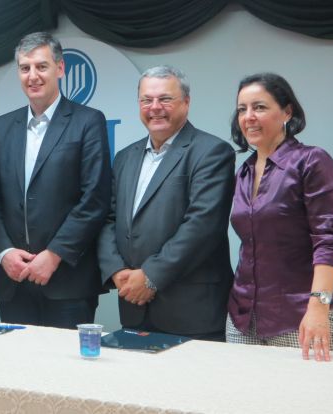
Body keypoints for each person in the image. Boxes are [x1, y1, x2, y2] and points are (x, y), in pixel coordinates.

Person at [97, 65, 235, 340]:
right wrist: (116, 270)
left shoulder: (212, 152)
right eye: (146, 100)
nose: (155, 107)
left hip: (192, 311)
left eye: (165, 99)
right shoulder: (125, 157)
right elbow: (108, 219)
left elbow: (202, 226)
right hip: (134, 306)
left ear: (186, 102)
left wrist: (150, 276)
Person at [0, 32, 111, 328]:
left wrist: (54, 255)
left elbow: (94, 198)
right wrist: (4, 252)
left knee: (65, 360)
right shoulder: (2, 127)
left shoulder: (88, 121)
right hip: (14, 279)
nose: (33, 76)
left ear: (60, 68)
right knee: (16, 359)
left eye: (41, 66)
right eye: (25, 68)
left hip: (67, 281)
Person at [227, 73, 333, 361]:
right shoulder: (244, 172)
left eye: (260, 107)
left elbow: (330, 240)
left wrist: (319, 307)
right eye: (242, 109)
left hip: (300, 318)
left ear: (287, 112)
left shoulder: (312, 161)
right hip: (242, 319)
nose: (249, 117)